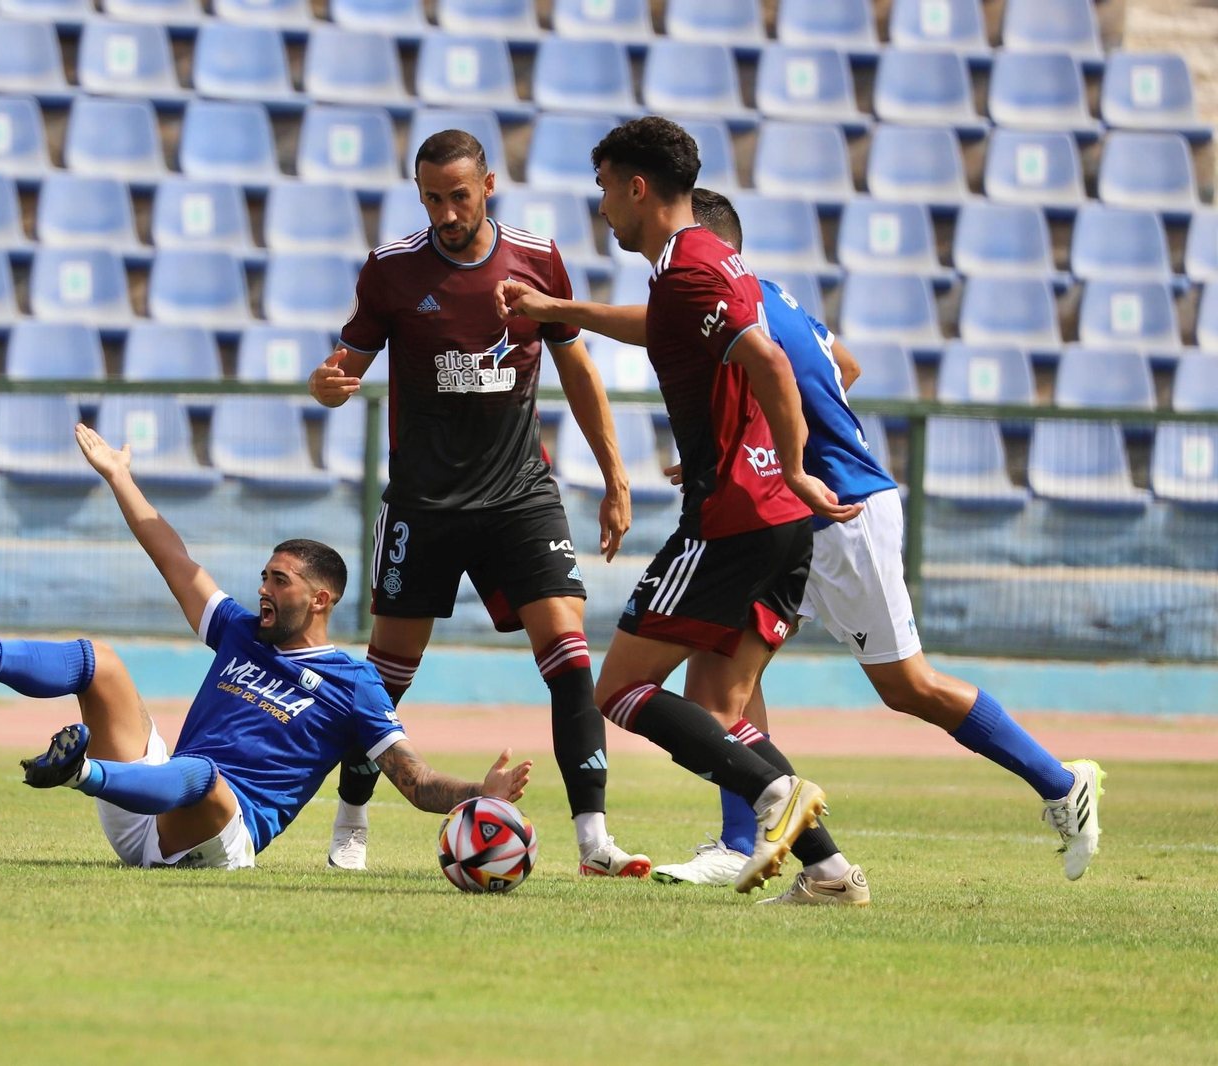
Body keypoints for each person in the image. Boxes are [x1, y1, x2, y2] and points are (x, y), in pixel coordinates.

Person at [639, 190, 1101, 886]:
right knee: (720, 679)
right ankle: (741, 840)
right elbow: (845, 366)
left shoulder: (743, 306)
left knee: (907, 686)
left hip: (841, 511)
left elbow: (683, 339)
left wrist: (562, 314)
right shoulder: (777, 302)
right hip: (782, 512)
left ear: (713, 247)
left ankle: (1062, 783)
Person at [497, 117, 868, 904]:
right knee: (717, 708)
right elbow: (669, 329)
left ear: (637, 187)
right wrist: (556, 308)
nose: (600, 206)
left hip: (734, 516)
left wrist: (794, 464)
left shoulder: (689, 270)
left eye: (604, 188)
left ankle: (776, 799)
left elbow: (767, 359)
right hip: (775, 519)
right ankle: (830, 871)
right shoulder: (704, 261)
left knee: (620, 691)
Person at [0, 424, 532, 870]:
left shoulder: (353, 683)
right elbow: (173, 558)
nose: (262, 588)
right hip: (148, 795)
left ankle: (80, 773)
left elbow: (415, 781)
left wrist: (481, 793)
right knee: (98, 661)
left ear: (319, 600)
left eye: (278, 580)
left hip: (210, 834)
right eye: (263, 575)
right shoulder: (240, 631)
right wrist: (120, 478)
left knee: (206, 777)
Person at [306, 129, 647, 877]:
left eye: (459, 195)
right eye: (432, 197)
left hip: (520, 497)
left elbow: (578, 366)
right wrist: (326, 387)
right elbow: (344, 367)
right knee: (385, 679)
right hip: (424, 507)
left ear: (488, 185)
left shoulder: (535, 257)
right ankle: (353, 818)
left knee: (568, 659)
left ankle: (593, 839)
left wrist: (615, 477)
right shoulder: (392, 271)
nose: (447, 211)